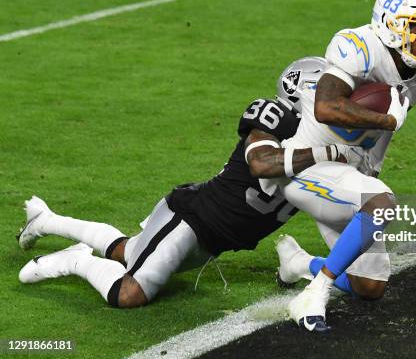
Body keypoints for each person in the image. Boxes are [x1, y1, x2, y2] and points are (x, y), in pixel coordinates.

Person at [16, 66, 363, 308]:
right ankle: (75, 260)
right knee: (130, 293)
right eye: (329, 91)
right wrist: (328, 153)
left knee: (128, 251)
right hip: (192, 217)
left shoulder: (330, 139)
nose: (337, 100)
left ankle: (44, 220)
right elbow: (261, 163)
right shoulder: (277, 119)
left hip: (215, 236)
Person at [274, 0, 416, 332]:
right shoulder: (358, 46)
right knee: (381, 203)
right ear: (390, 23)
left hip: (353, 174)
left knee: (368, 288)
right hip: (309, 166)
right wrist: (386, 119)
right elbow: (326, 107)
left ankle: (299, 263)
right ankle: (314, 293)